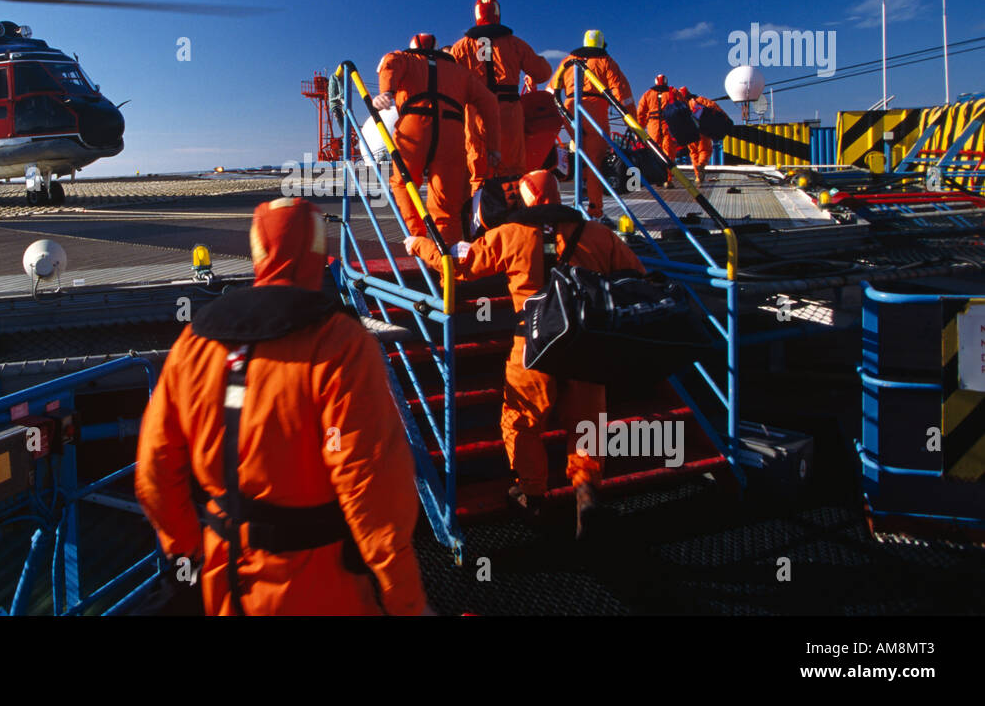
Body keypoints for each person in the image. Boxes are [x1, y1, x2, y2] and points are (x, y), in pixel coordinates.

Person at [137, 197, 429, 615]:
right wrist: (406, 600)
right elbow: (370, 485)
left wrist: (186, 550)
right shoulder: (341, 343)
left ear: (256, 249)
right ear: (317, 250)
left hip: (226, 578)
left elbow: (155, 468)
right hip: (321, 584)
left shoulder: (194, 342)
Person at [405, 170, 644, 538]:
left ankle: (531, 495)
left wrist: (419, 245)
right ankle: (586, 495)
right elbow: (635, 277)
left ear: (527, 199)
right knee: (588, 423)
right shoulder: (598, 235)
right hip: (588, 343)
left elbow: (459, 267)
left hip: (532, 344)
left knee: (523, 420)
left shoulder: (510, 235)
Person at [373, 33, 501, 245]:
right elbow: (489, 103)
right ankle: (446, 261)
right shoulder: (460, 72)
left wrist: (387, 92)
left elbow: (390, 62)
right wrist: (493, 147)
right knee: (446, 203)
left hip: (414, 127)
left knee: (403, 182)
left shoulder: (406, 59)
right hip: (451, 132)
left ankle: (417, 239)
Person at [448, 0, 553, 190]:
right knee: (512, 171)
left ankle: (478, 216)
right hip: (508, 113)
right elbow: (542, 73)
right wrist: (542, 60)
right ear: (498, 15)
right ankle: (512, 216)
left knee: (478, 171)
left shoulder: (461, 47)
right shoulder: (515, 44)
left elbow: (446, 80)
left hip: (476, 115)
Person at [549, 31, 636, 218]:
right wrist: (632, 121)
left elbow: (551, 89)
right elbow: (622, 92)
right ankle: (595, 211)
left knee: (579, 157)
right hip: (595, 112)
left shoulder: (568, 61)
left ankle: (575, 201)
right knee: (594, 162)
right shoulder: (606, 61)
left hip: (570, 111)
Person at [635, 74, 681, 187]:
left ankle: (658, 177)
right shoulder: (673, 92)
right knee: (669, 153)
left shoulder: (648, 94)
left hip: (653, 126)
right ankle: (667, 179)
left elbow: (640, 113)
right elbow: (683, 106)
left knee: (654, 152)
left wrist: (638, 129)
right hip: (668, 125)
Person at [677, 86, 728, 187]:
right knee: (705, 150)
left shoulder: (679, 106)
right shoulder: (699, 100)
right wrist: (724, 117)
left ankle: (697, 176)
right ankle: (701, 165)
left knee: (693, 153)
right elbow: (713, 106)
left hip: (688, 132)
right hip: (702, 130)